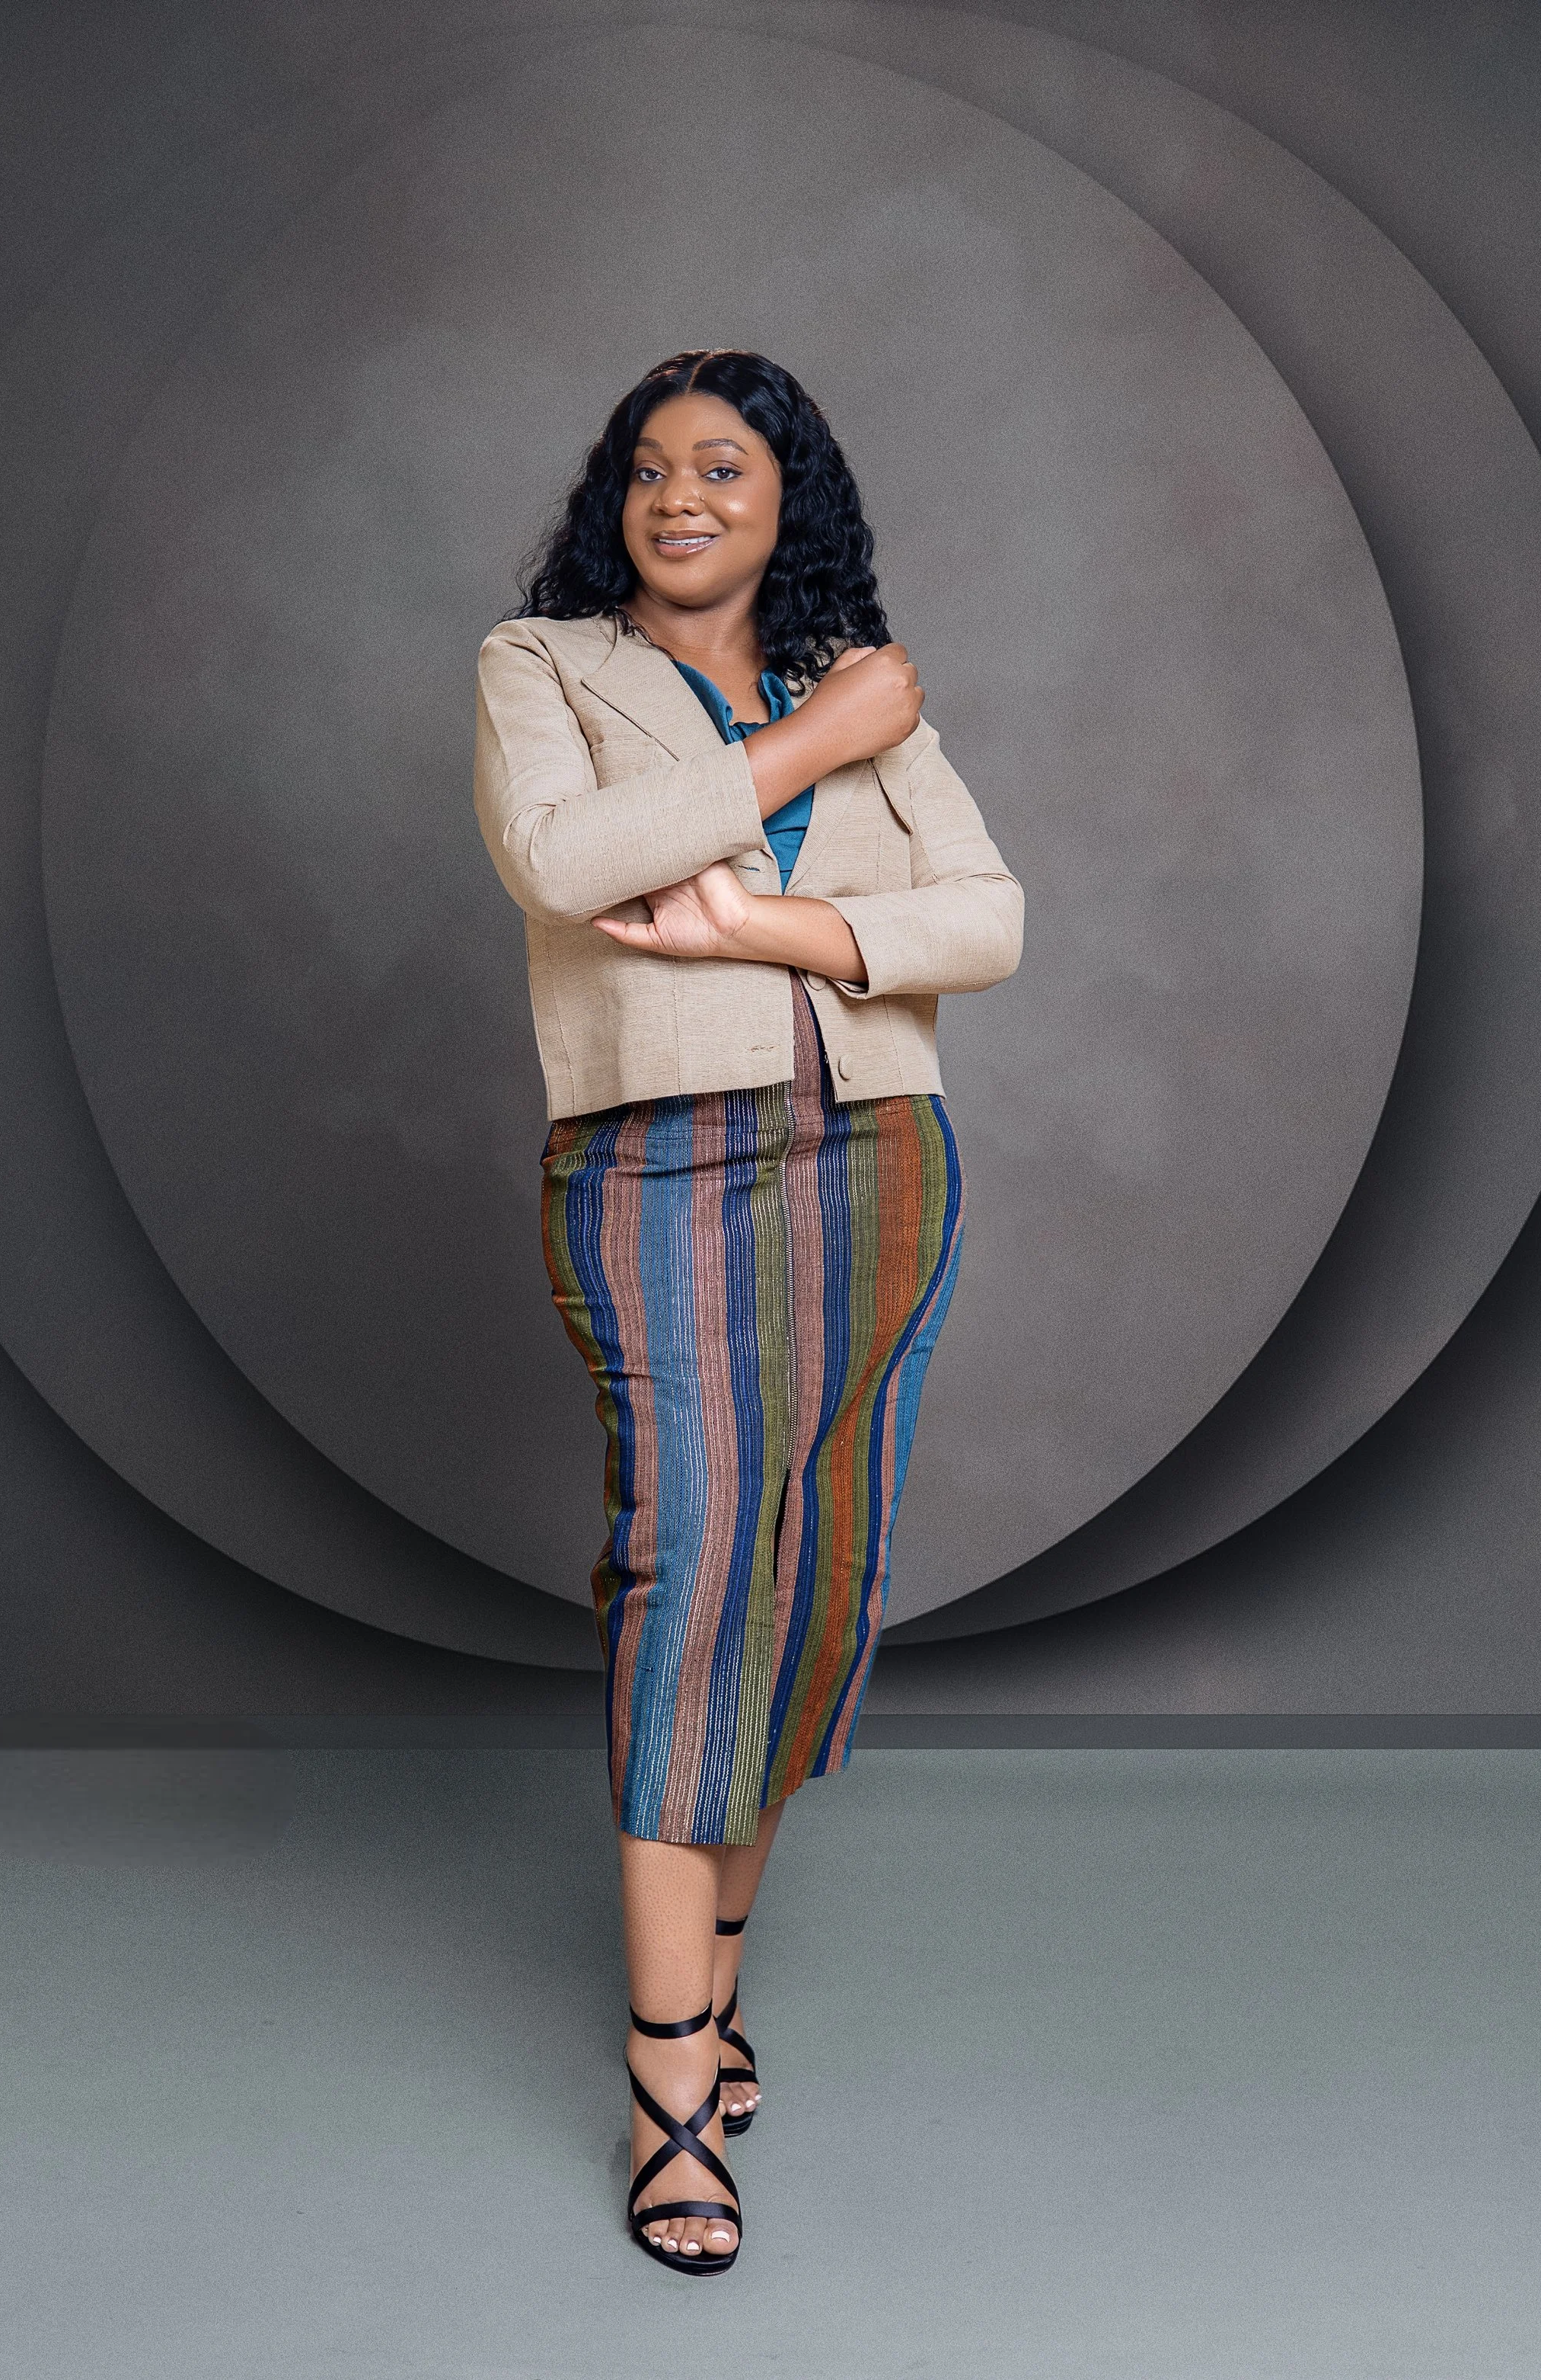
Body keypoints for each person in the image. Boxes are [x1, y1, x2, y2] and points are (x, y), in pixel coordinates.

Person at [472, 348, 1023, 2273]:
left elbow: (987, 918)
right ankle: (662, 2080)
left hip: (879, 1159)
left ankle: (710, 1982)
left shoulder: (854, 674)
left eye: (723, 464)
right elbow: (562, 857)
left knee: (808, 1567)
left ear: (793, 497)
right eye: (647, 467)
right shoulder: (544, 665)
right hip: (657, 1164)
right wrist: (803, 754)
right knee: (693, 1559)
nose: (678, 494)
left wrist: (763, 920)